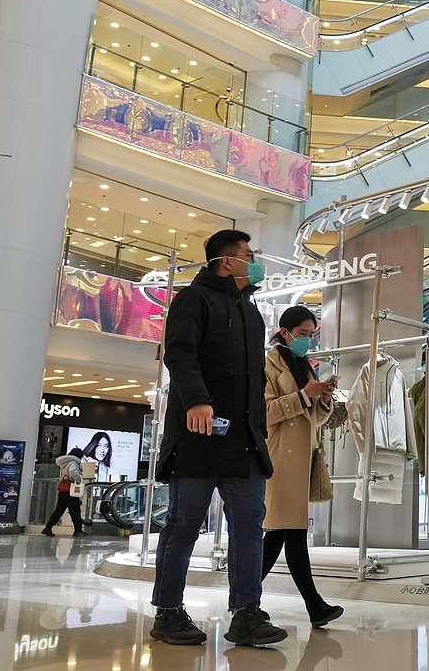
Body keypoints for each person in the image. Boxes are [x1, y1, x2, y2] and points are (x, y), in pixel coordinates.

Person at [149, 229, 287, 647]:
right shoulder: (194, 299)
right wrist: (196, 399)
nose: (255, 260)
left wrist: (259, 428)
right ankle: (168, 612)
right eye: (250, 254)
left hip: (243, 442)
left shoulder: (250, 310)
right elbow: (179, 352)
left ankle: (247, 613)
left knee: (249, 525)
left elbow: (253, 381)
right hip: (198, 436)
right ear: (228, 262)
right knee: (183, 524)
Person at [260, 306, 345, 629]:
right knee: (290, 531)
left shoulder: (305, 367)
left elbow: (315, 420)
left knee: (282, 532)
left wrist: (322, 399)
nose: (307, 341)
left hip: (301, 459)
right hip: (280, 457)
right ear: (285, 332)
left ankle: (244, 597)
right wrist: (302, 396)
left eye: (311, 335)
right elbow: (263, 413)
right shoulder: (266, 363)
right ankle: (314, 605)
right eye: (303, 334)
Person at [42, 448, 91, 537]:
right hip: (70, 490)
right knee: (75, 511)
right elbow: (73, 472)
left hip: (63, 490)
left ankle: (48, 528)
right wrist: (79, 479)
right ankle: (78, 531)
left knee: (58, 511)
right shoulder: (73, 462)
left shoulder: (64, 463)